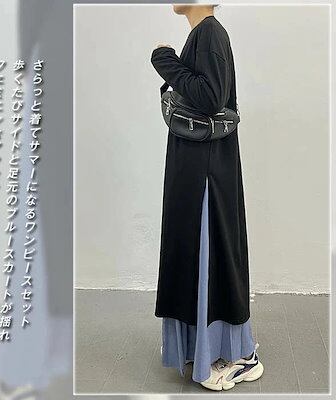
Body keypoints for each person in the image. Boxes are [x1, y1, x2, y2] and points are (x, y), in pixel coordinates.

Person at [151, 4, 264, 391]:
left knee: (209, 257)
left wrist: (165, 60)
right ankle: (205, 349)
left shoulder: (211, 33)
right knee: (198, 257)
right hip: (200, 171)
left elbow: (211, 97)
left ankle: (238, 356)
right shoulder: (202, 34)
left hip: (207, 175)